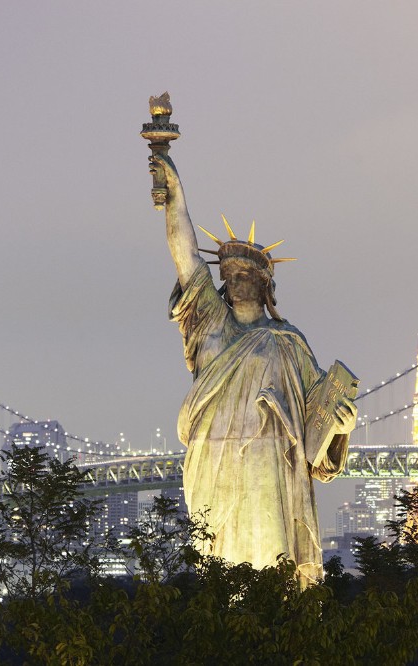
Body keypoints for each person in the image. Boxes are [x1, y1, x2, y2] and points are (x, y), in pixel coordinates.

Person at [149, 153, 357, 585]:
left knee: (271, 575)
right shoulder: (208, 323)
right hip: (214, 466)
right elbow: (185, 255)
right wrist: (175, 196)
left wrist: (343, 427)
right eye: (229, 273)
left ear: (266, 287)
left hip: (269, 469)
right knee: (221, 578)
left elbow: (318, 427)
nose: (236, 277)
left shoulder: (288, 342)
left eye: (246, 272)